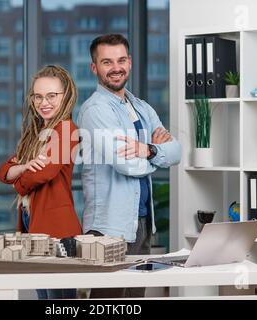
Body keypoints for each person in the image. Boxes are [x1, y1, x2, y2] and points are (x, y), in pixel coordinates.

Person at [77, 34, 182, 298]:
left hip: (142, 221)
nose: (116, 68)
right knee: (108, 300)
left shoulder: (141, 107)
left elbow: (176, 152)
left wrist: (148, 150)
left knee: (135, 297)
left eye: (121, 60)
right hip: (109, 226)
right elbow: (125, 164)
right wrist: (157, 154)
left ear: (130, 62)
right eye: (107, 62)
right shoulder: (95, 110)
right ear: (94, 68)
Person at [0, 65, 82, 300]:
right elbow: (3, 170)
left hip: (56, 227)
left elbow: (43, 173)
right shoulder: (35, 134)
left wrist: (18, 179)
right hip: (31, 220)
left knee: (60, 299)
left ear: (65, 96)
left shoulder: (67, 130)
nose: (44, 102)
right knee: (44, 296)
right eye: (38, 96)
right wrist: (25, 166)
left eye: (51, 96)